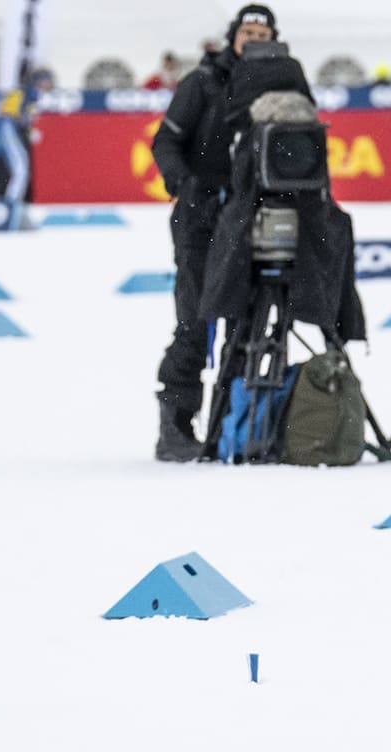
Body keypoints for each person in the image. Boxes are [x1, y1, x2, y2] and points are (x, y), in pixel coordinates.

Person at [148, 4, 281, 461]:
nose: (254, 36)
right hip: (200, 217)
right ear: (233, 36)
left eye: (263, 30)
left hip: (251, 219)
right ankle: (176, 425)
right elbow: (165, 141)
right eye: (248, 29)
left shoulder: (281, 88)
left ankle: (230, 424)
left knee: (246, 325)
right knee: (195, 321)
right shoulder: (202, 82)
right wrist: (184, 185)